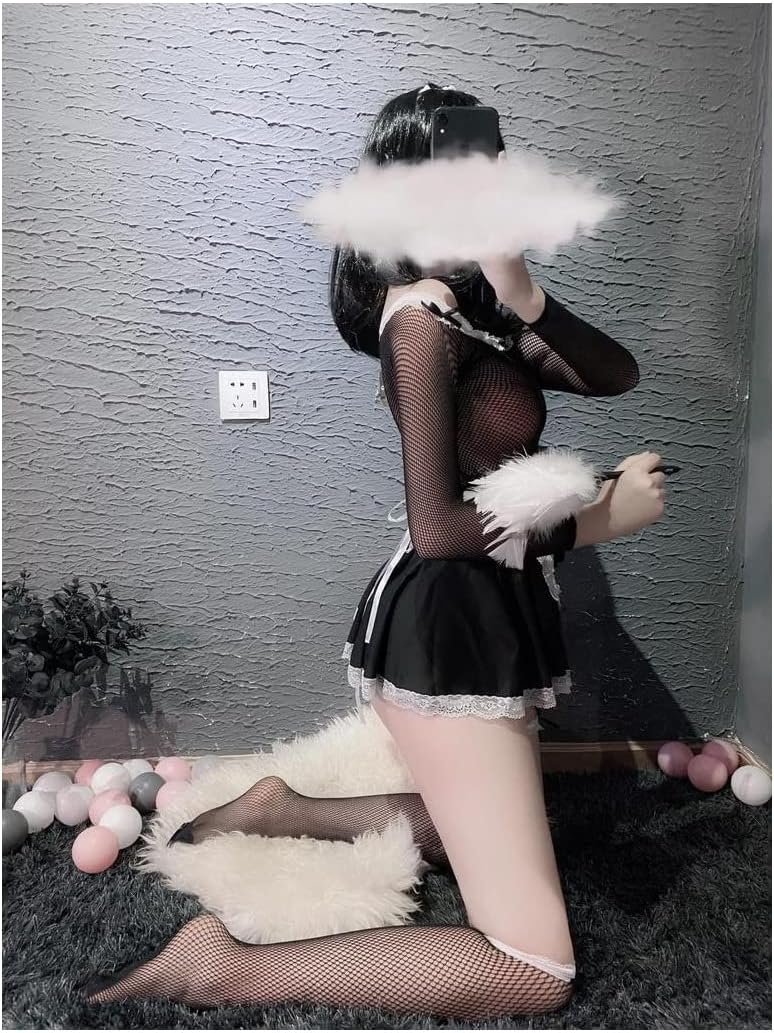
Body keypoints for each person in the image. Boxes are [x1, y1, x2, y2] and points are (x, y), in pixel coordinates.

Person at [84, 83, 665, 1021]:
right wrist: (595, 520)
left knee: (470, 819)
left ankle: (282, 808)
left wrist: (527, 294)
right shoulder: (419, 320)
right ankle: (221, 964)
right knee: (534, 968)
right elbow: (438, 527)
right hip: (448, 623)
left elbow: (616, 374)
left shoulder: (480, 309)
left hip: (491, 608)